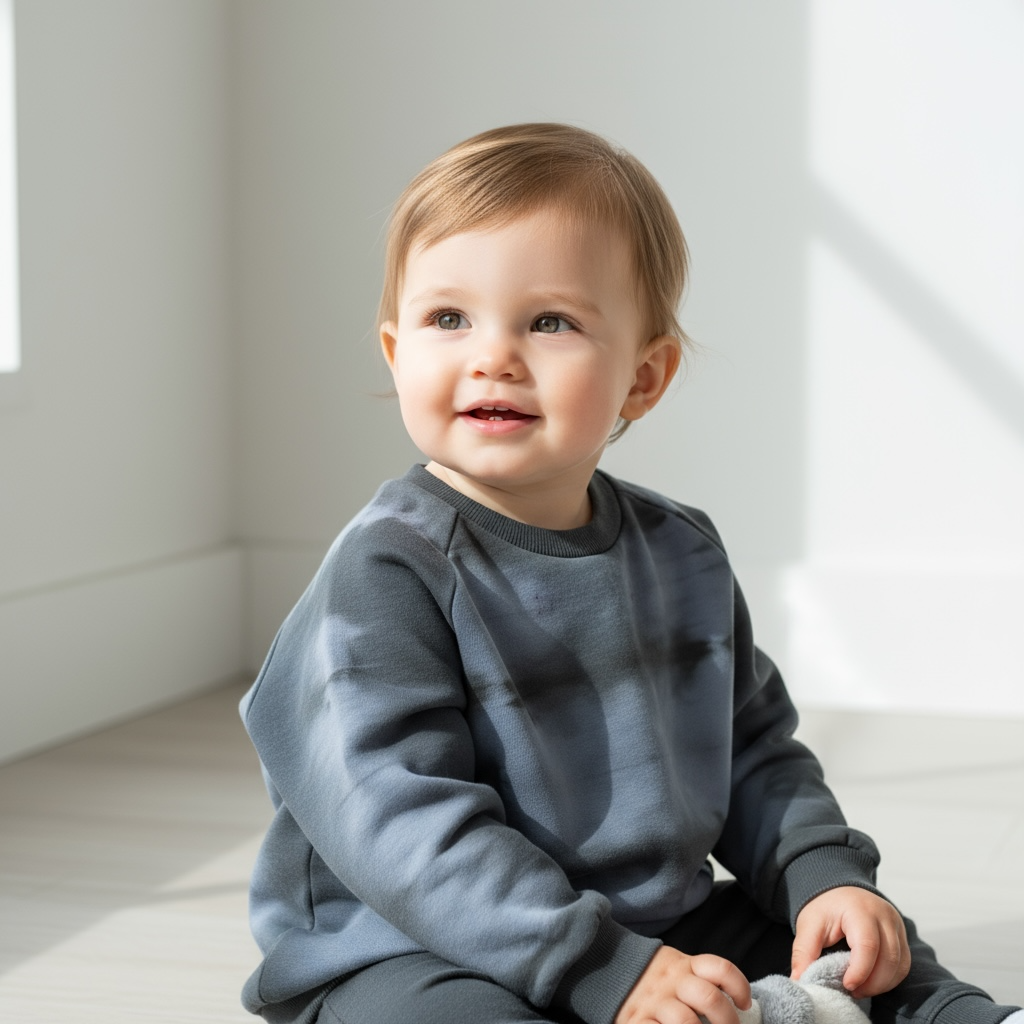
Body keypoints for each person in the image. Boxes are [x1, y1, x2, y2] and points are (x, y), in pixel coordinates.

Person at [239, 123, 1023, 1024]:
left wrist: (821, 875)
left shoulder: (680, 551)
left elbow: (754, 754)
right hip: (408, 944)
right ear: (395, 349)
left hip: (646, 922)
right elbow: (401, 828)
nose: (492, 355)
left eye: (550, 322)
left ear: (643, 379)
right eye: (448, 318)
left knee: (860, 947)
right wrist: (602, 964)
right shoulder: (387, 572)